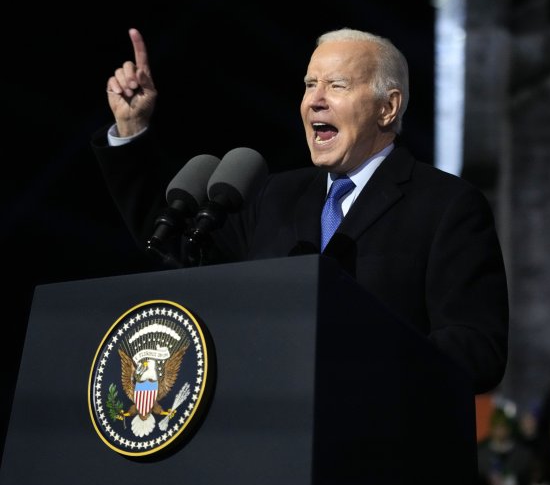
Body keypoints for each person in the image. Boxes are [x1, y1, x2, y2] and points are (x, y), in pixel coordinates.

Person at [91, 27, 509, 395]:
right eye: (310, 85)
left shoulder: (446, 205)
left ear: (388, 107)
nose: (315, 101)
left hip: (379, 457)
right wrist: (132, 133)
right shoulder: (272, 194)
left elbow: (478, 350)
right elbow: (175, 244)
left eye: (337, 85)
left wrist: (355, 352)